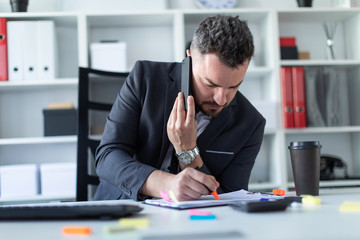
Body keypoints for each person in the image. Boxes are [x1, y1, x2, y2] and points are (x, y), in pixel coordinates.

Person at [94, 14, 266, 201]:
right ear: (190, 57)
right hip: (125, 211)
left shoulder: (250, 123)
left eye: (233, 86)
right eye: (210, 84)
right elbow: (107, 156)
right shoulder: (145, 78)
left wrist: (188, 151)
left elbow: (230, 198)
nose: (221, 99)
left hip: (197, 222)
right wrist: (166, 185)